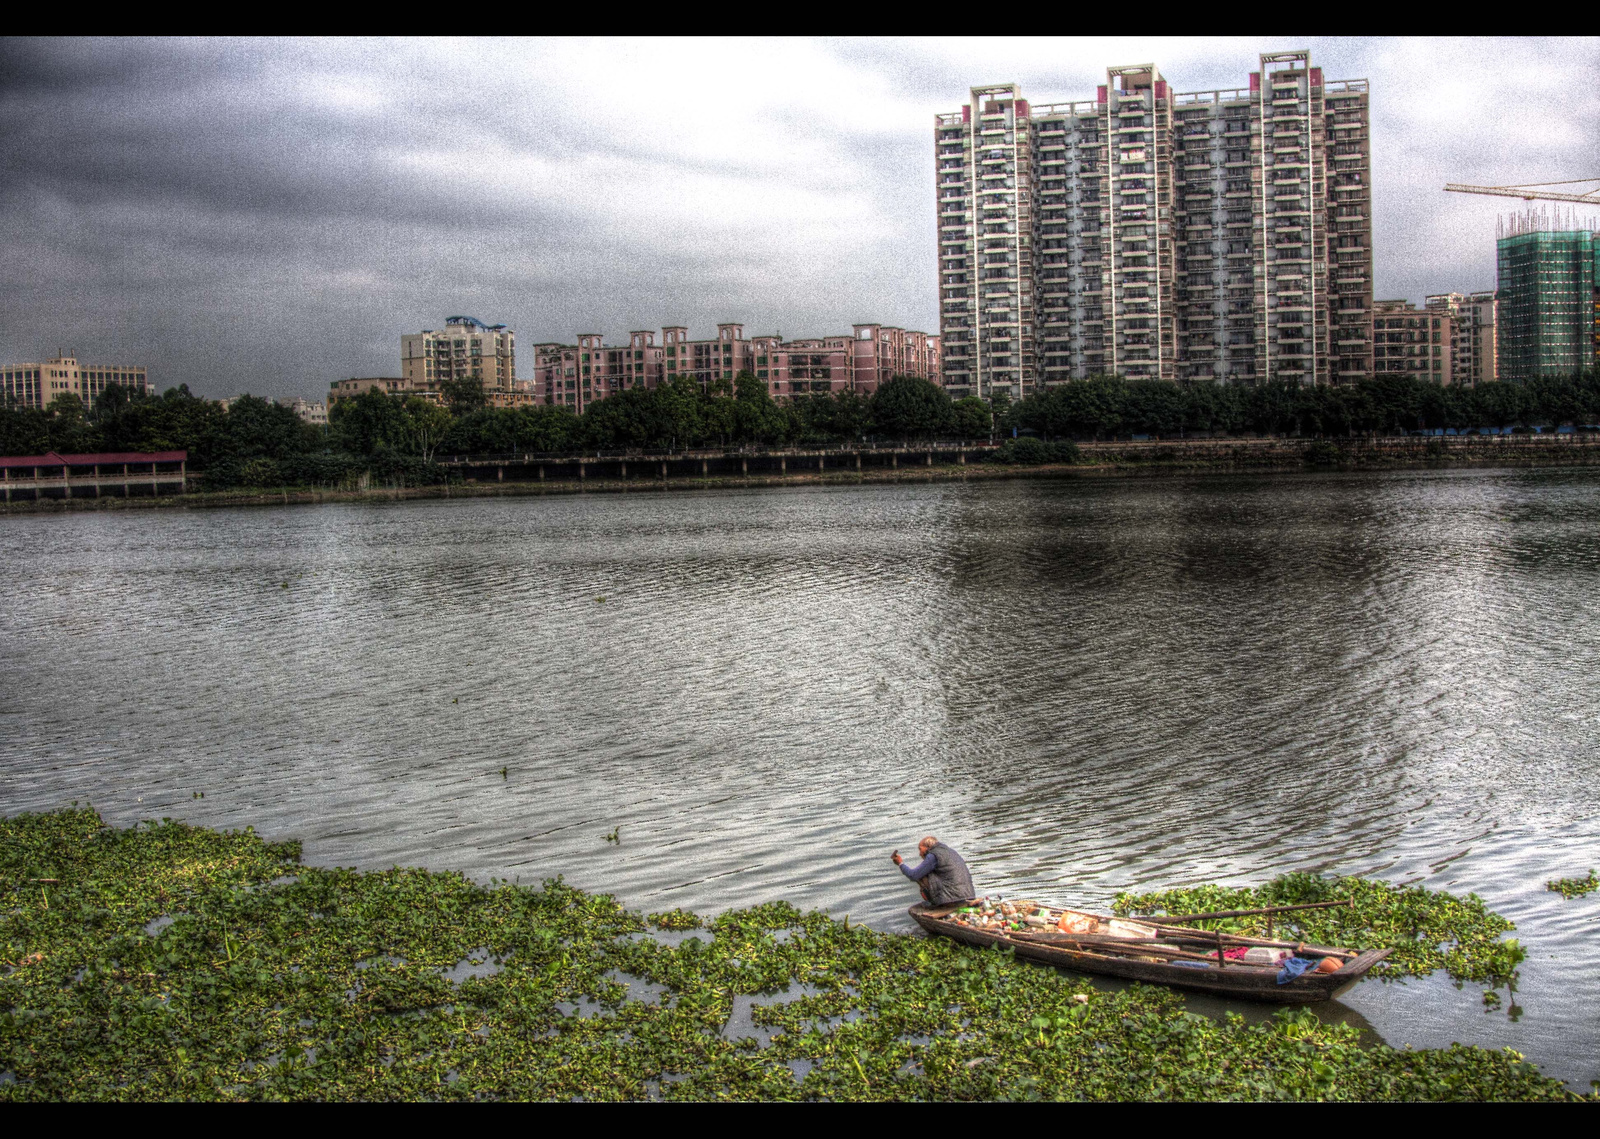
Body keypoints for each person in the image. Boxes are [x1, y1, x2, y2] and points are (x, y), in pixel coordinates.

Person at [891, 835, 975, 906]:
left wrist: (900, 863)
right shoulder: (950, 851)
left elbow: (913, 875)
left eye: (920, 849)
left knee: (921, 876)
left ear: (928, 847)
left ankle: (936, 903)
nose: (920, 854)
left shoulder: (933, 855)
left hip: (952, 898)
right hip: (969, 894)